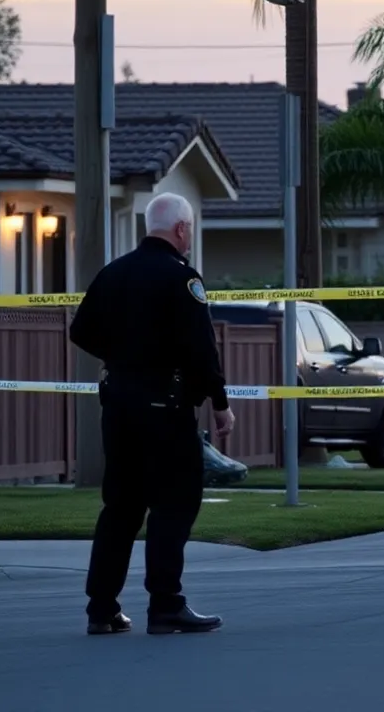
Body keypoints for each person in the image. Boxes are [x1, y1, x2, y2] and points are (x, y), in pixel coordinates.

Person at [70, 192, 235, 635]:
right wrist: (219, 403)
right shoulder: (182, 279)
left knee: (120, 506)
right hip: (165, 407)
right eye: (191, 231)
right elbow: (202, 348)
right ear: (181, 229)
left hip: (118, 403)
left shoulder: (114, 272)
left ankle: (101, 608)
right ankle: (166, 605)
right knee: (174, 502)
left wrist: (122, 356)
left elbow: (79, 329)